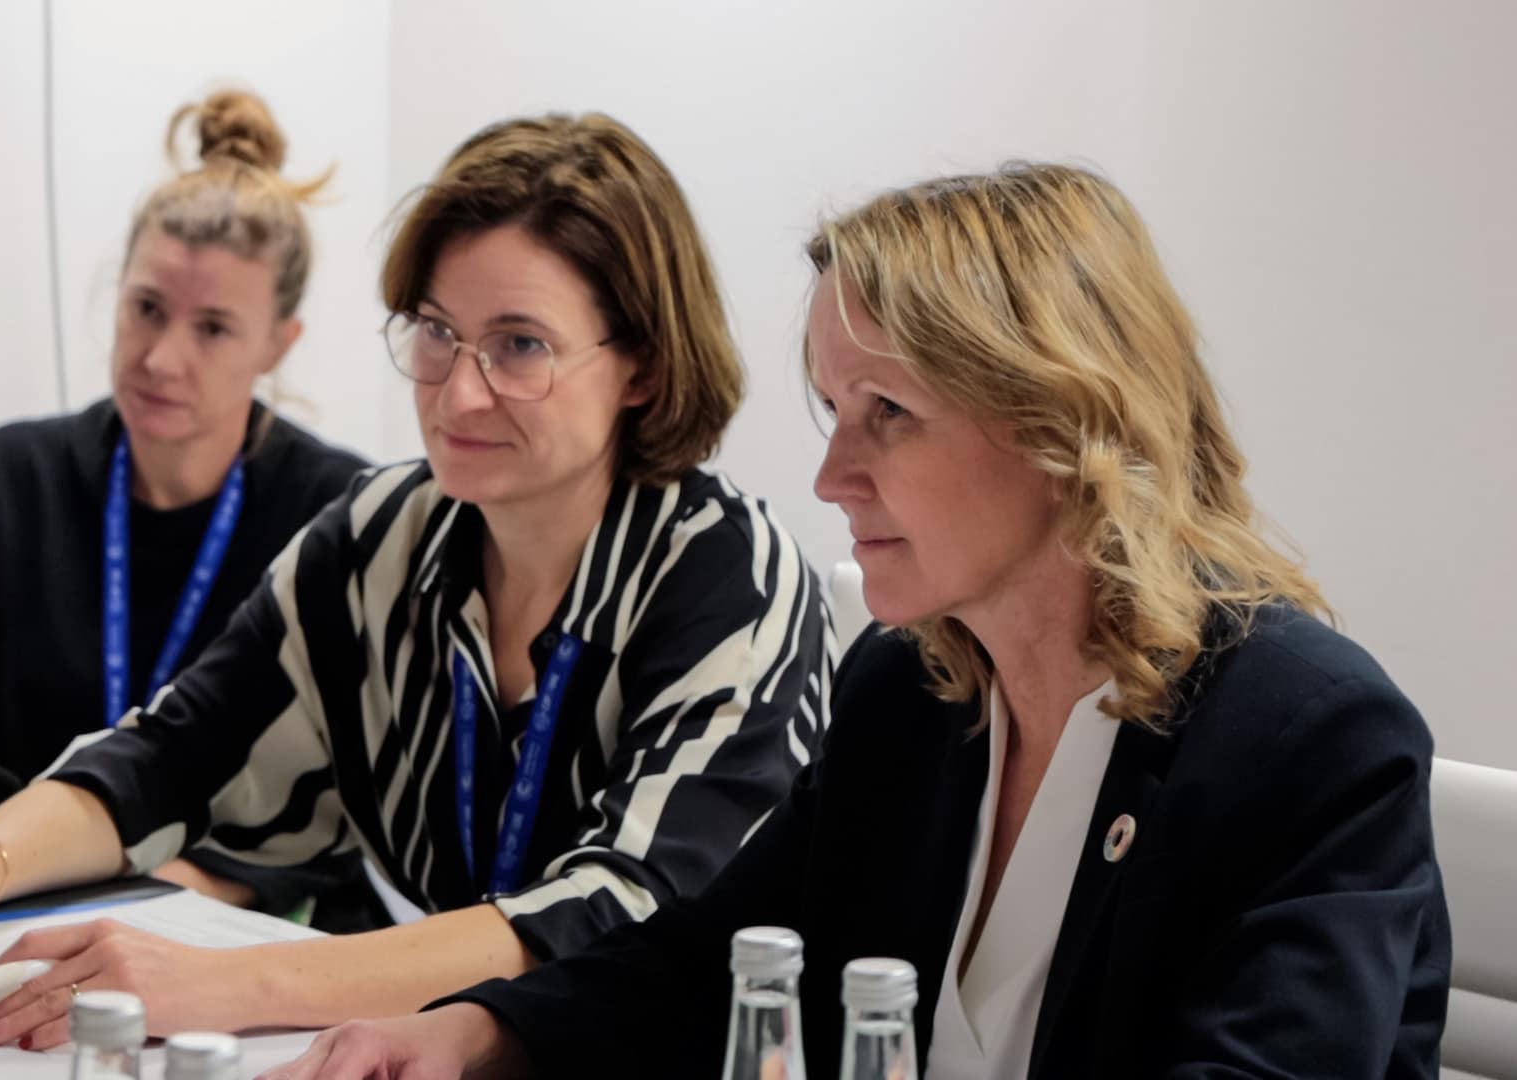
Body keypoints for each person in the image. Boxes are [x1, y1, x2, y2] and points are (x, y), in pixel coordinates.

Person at [259, 164, 1451, 1079]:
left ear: (1064, 426)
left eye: (888, 411)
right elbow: (704, 965)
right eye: (834, 409)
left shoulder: (1310, 740)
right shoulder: (912, 692)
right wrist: (468, 1037)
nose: (832, 476)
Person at [0, 112, 833, 1051]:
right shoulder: (380, 534)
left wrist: (230, 984)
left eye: (520, 345)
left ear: (643, 369)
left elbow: (623, 909)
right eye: (436, 330)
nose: (458, 392)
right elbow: (172, 756)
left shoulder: (729, 575)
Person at [0, 88, 376, 918]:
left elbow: (348, 813)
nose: (162, 358)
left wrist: (155, 898)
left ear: (279, 344)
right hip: (3, 905)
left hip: (228, 923)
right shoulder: (8, 477)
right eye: (147, 309)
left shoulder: (335, 511)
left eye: (212, 328)